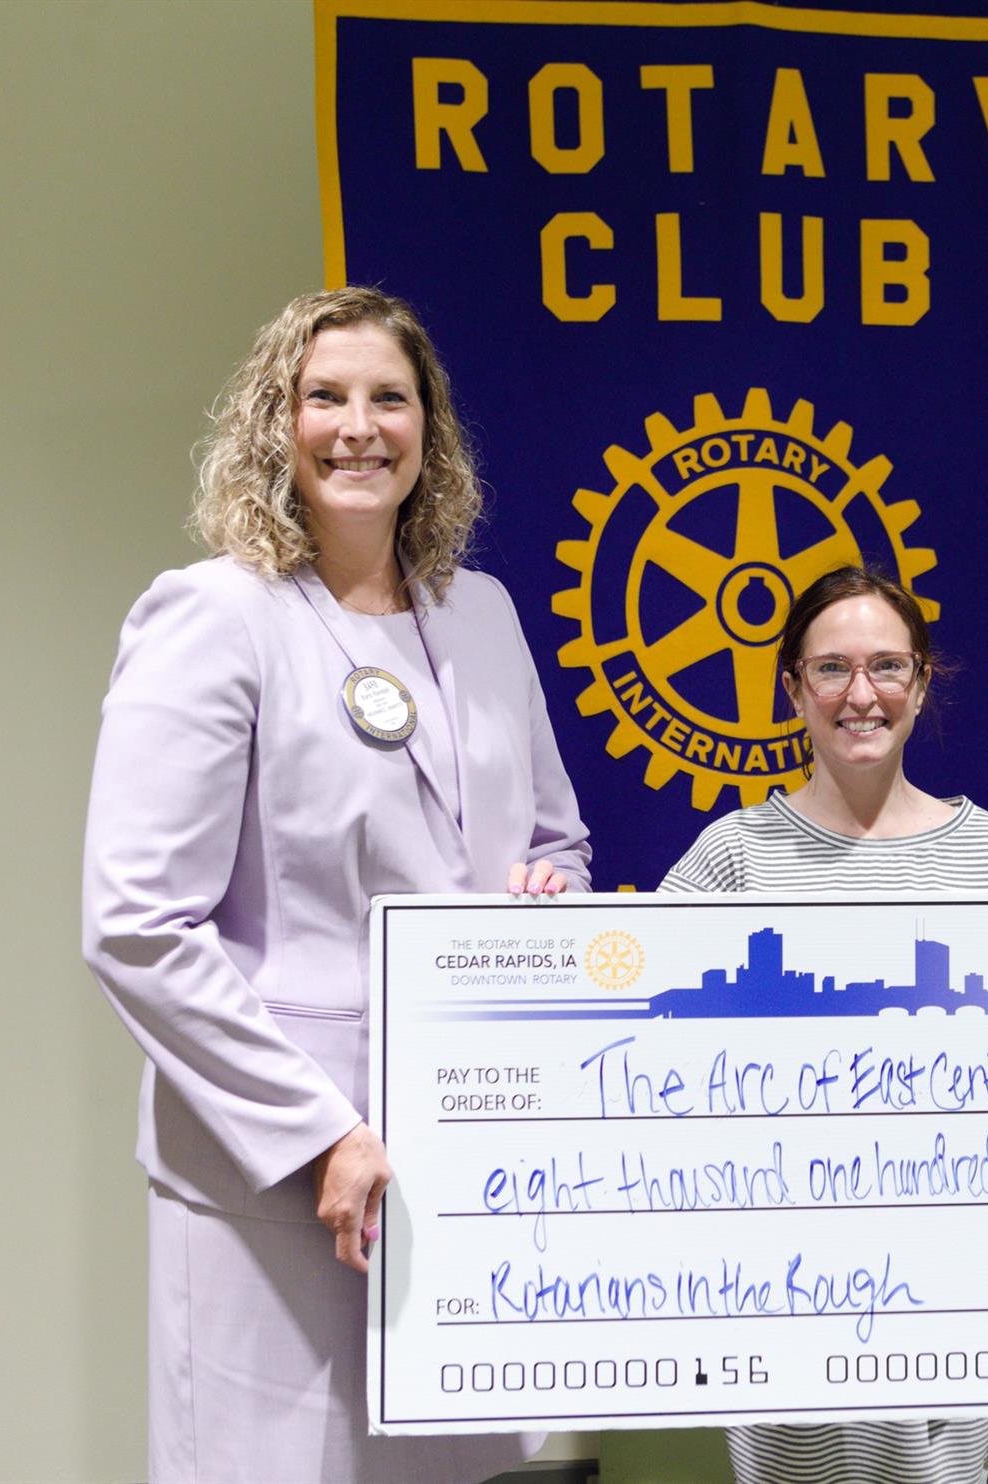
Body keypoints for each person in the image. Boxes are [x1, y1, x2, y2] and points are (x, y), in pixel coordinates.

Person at [82, 286, 591, 1484]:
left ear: (429, 430)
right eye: (326, 397)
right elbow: (137, 924)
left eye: (389, 398)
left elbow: (559, 839)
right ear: (279, 423)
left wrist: (543, 896)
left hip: (459, 1152)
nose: (360, 426)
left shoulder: (484, 616)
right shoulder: (216, 615)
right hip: (277, 1172)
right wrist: (320, 1133)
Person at [660, 565, 988, 1484]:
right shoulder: (732, 857)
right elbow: (635, 1041)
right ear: (792, 689)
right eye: (831, 669)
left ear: (922, 681)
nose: (861, 694)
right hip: (779, 1283)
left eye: (887, 666)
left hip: (956, 1280)